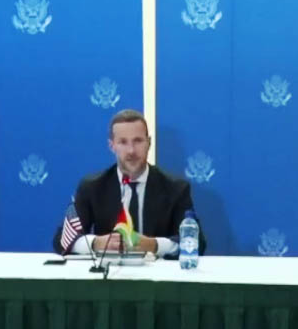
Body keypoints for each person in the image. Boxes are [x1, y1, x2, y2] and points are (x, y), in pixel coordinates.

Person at [53, 109, 205, 258]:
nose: (131, 151)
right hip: (109, 279)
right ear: (112, 145)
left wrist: (154, 245)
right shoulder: (93, 187)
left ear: (149, 143)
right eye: (123, 142)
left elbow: (197, 243)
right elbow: (61, 241)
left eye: (138, 141)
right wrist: (96, 243)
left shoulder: (176, 188)